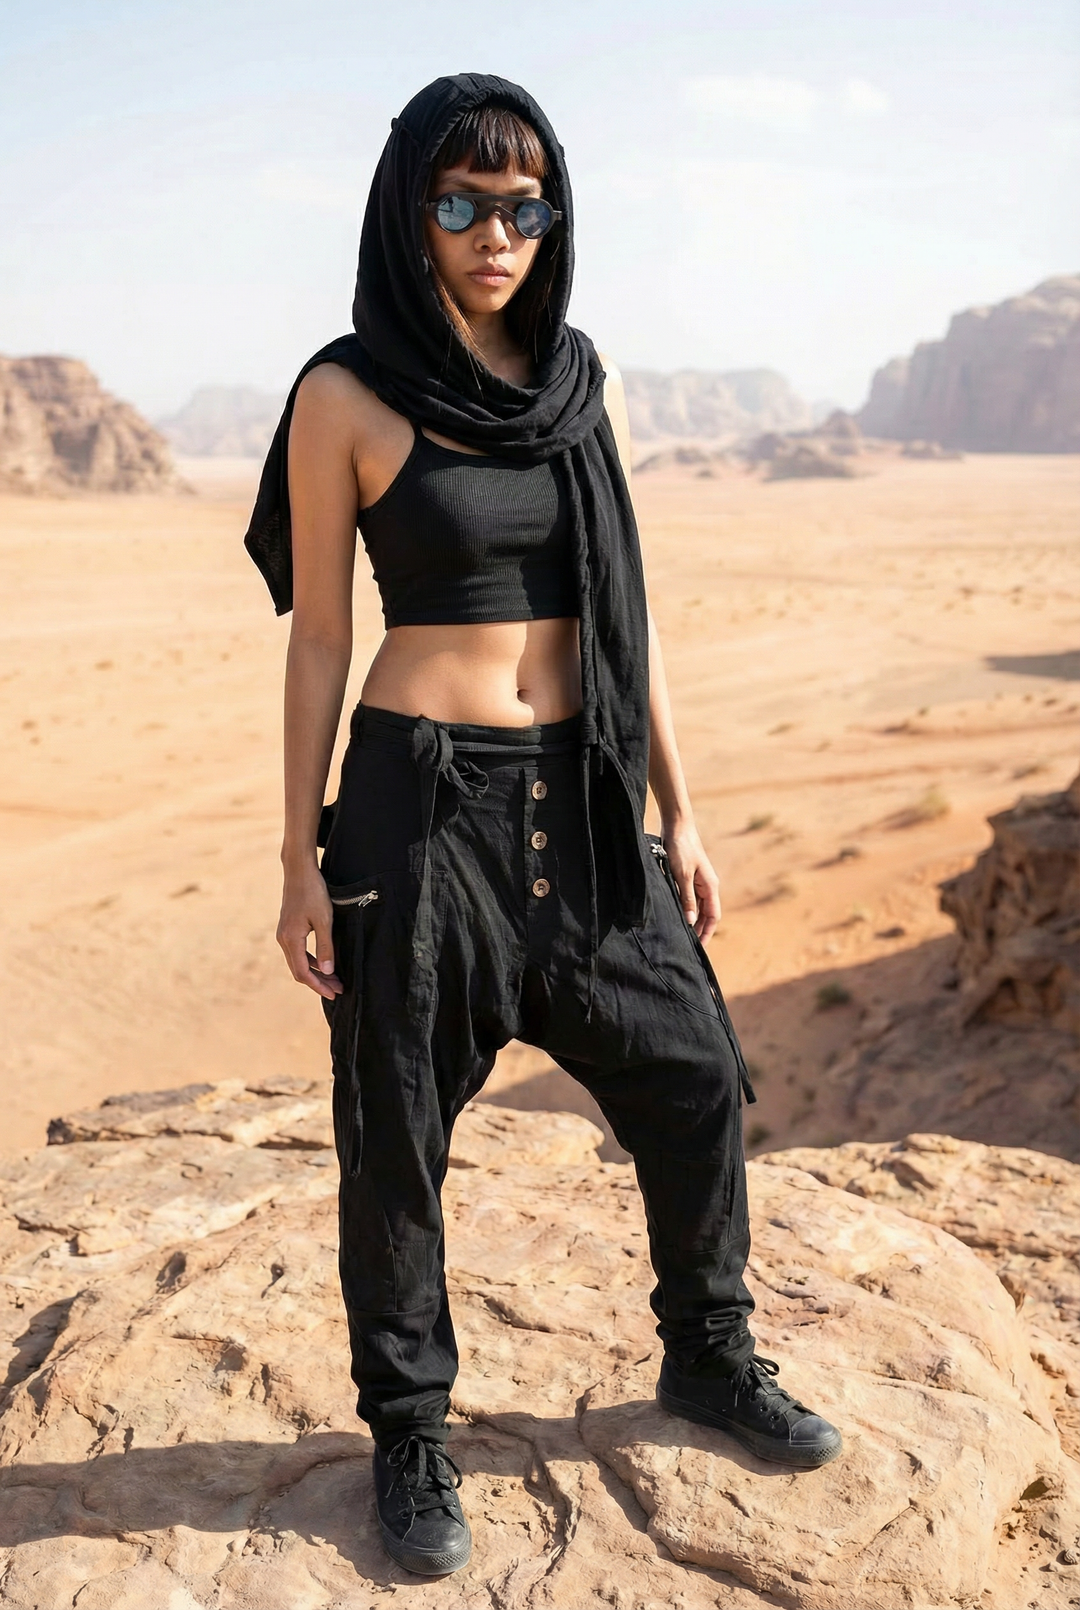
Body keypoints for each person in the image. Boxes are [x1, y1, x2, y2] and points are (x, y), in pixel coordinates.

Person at [244, 72, 841, 1579]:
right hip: (415, 800)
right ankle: (412, 1431)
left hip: (580, 800)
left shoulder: (589, 383)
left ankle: (707, 1353)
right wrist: (299, 851)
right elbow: (321, 635)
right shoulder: (345, 393)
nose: (494, 231)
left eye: (521, 204)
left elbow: (628, 619)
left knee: (697, 1068)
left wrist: (680, 813)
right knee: (396, 1127)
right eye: (460, 202)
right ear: (410, 211)